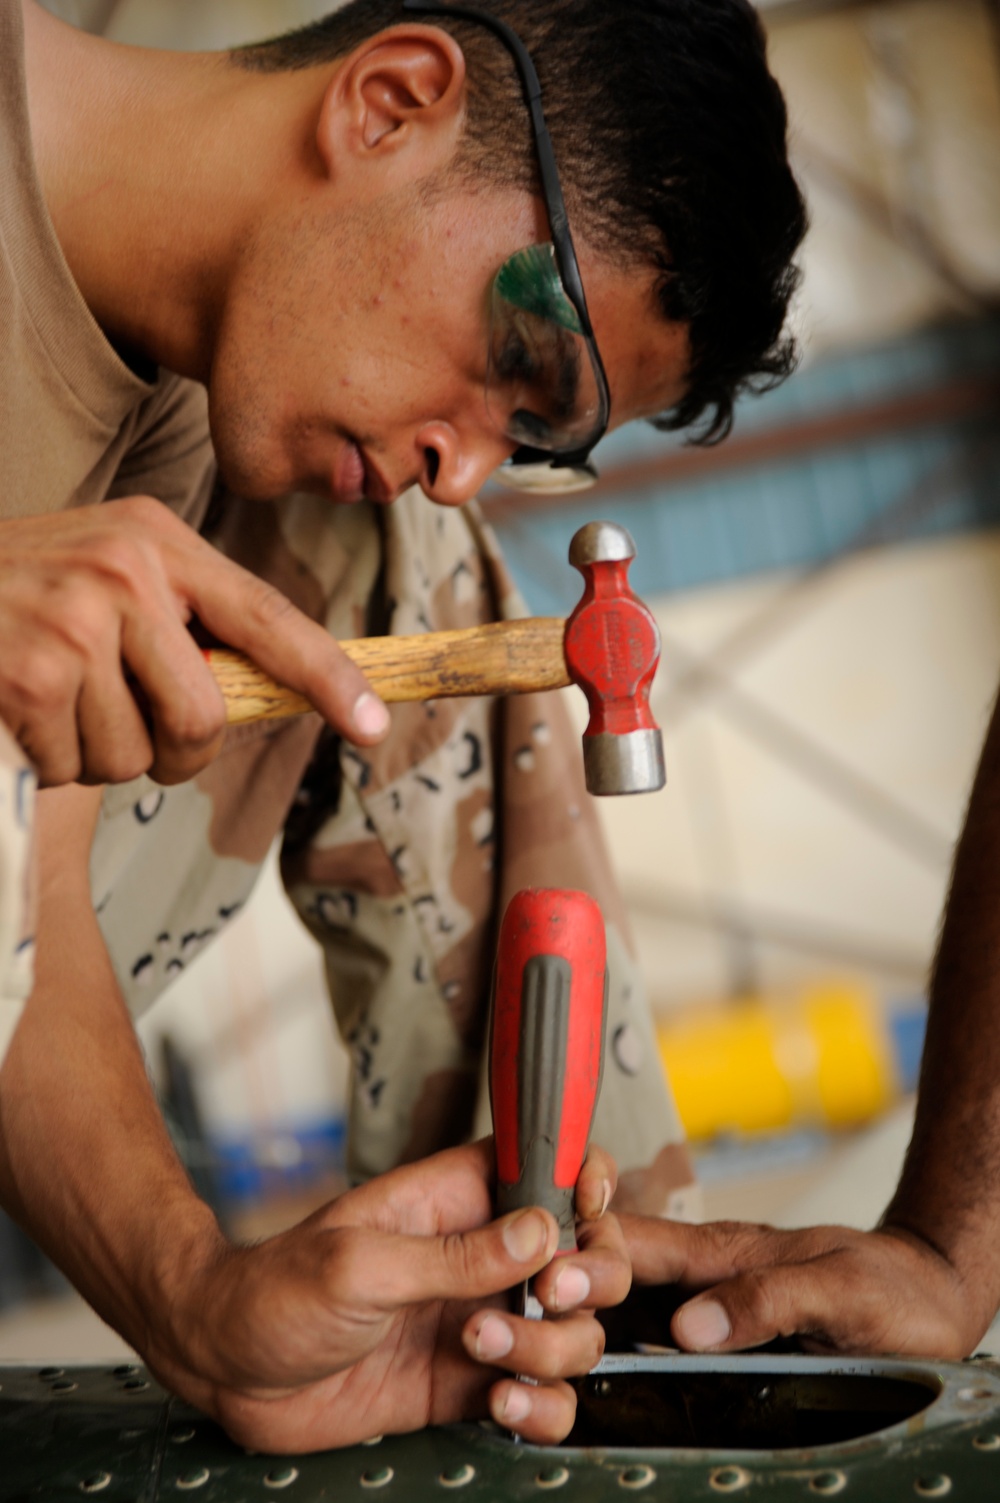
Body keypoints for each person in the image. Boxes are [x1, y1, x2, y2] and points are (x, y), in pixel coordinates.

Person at [0, 0, 806, 1452]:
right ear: (390, 101)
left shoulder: (183, 422)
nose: (462, 469)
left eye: (537, 447)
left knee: (418, 575)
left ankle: (537, 1316)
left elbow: (26, 901)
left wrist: (202, 1311)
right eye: (522, 369)